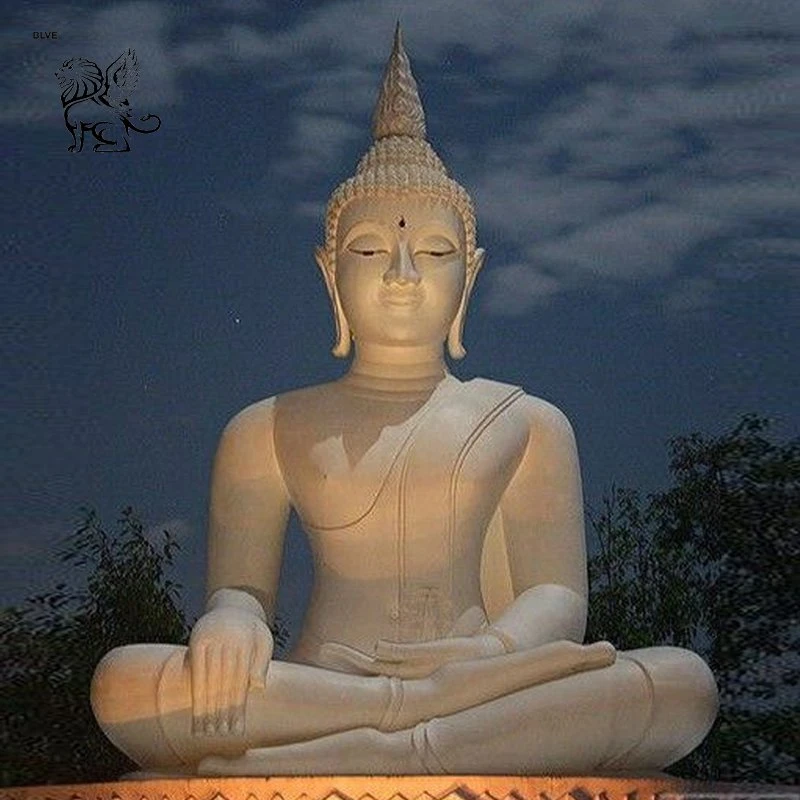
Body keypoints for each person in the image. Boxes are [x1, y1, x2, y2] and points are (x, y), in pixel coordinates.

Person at [91, 26, 717, 776]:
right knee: (127, 684)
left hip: (479, 685)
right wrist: (230, 618)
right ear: (330, 275)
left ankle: (379, 747)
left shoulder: (526, 422)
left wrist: (487, 657)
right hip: (322, 684)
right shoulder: (266, 428)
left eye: (434, 251)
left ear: (470, 277)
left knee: (682, 684)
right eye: (367, 250)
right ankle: (393, 724)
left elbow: (555, 595)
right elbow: (241, 588)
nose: (400, 273)